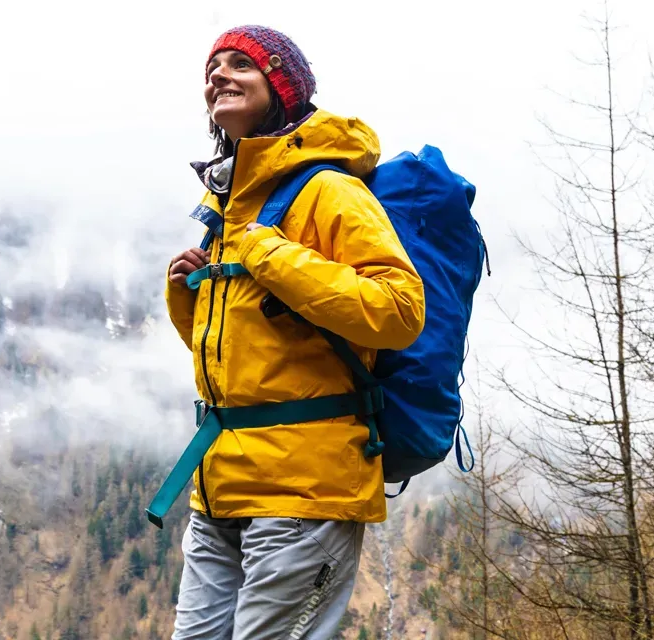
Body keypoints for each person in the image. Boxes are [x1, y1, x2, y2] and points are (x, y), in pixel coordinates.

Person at [162, 25, 426, 639]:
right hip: (222, 487)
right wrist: (189, 293)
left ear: (280, 87)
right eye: (213, 68)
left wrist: (271, 256)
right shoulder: (230, 201)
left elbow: (398, 310)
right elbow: (244, 356)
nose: (218, 76)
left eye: (240, 66)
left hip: (303, 490)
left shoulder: (328, 189)